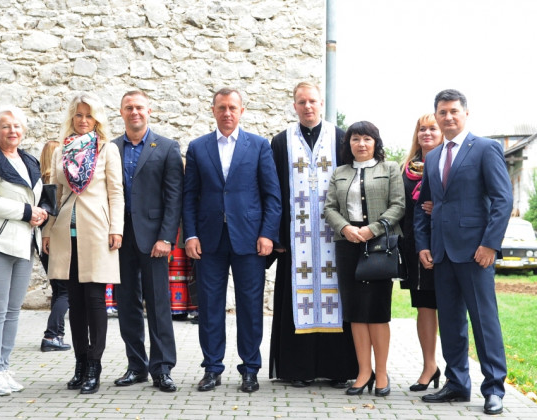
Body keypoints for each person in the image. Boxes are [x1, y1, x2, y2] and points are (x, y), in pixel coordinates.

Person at [414, 89, 512, 415]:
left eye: (454, 111)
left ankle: (494, 389)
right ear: (437, 116)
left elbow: (502, 200)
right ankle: (456, 383)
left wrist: (490, 244)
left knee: (484, 321)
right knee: (451, 322)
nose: (448, 117)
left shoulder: (485, 148)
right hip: (441, 254)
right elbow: (424, 206)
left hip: (475, 253)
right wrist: (423, 245)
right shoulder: (432, 158)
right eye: (442, 112)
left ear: (466, 113)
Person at [182, 88, 282, 393]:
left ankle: (250, 369)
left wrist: (267, 233)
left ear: (241, 111)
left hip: (250, 240)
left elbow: (272, 195)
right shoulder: (198, 147)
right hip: (208, 240)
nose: (227, 113)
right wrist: (190, 234)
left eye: (233, 108)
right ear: (213, 110)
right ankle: (212, 368)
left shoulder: (259, 145)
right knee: (210, 306)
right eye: (222, 107)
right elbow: (189, 196)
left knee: (250, 307)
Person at [268, 81, 357, 388]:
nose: (308, 106)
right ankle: (298, 369)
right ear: (295, 105)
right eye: (302, 102)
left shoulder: (341, 137)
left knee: (337, 298)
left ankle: (338, 369)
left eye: (313, 101)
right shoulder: (282, 141)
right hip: (296, 239)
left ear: (321, 103)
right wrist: (278, 237)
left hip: (335, 236)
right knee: (298, 298)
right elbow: (274, 191)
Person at [42, 92, 124, 394]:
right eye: (78, 114)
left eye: (89, 115)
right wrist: (47, 231)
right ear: (72, 117)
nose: (83, 120)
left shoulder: (107, 149)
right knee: (74, 302)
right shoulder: (61, 150)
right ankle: (79, 363)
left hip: (98, 231)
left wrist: (117, 228)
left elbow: (116, 192)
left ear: (97, 119)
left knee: (95, 300)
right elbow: (54, 194)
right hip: (66, 232)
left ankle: (94, 365)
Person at [324, 121, 405, 397]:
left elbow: (398, 205)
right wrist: (345, 228)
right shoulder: (339, 172)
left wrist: (374, 228)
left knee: (377, 311)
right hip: (348, 245)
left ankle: (381, 373)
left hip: (380, 244)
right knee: (355, 311)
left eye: (367, 139)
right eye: (355, 139)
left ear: (375, 142)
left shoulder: (390, 168)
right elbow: (330, 208)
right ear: (348, 144)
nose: (361, 144)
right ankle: (363, 372)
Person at [0, 105, 47, 396]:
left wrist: (41, 212)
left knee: (13, 311)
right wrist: (28, 211)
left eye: (16, 126)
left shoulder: (28, 160)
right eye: (5, 126)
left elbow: (36, 196)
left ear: (23, 130)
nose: (12, 130)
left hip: (24, 243)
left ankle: (3, 366)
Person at [112, 90, 183, 393]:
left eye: (139, 107)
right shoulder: (111, 148)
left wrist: (167, 237)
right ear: (121, 112)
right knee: (126, 303)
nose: (134, 112)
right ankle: (136, 366)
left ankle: (162, 368)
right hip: (119, 237)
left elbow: (174, 196)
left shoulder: (166, 147)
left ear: (149, 111)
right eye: (129, 107)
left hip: (155, 238)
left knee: (158, 304)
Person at [399, 114, 442, 391]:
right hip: (415, 247)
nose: (426, 133)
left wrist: (440, 207)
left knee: (449, 308)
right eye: (422, 129)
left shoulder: (450, 162)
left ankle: (457, 371)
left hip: (446, 244)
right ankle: (429, 366)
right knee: (424, 307)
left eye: (432, 128)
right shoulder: (405, 169)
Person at [37, 140, 71, 352]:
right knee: (66, 290)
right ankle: (51, 335)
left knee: (58, 289)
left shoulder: (37, 179)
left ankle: (57, 333)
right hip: (56, 238)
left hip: (42, 240)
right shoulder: (56, 182)